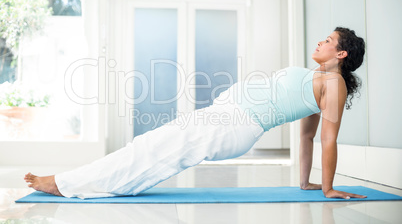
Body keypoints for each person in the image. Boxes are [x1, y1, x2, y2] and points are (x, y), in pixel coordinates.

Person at [25, 27, 367, 200]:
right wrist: (305, 181)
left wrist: (327, 189)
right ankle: (78, 182)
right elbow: (306, 135)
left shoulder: (334, 85)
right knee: (150, 146)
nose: (320, 42)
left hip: (236, 125)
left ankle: (66, 184)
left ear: (340, 54)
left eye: (328, 40)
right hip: (228, 114)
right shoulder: (318, 79)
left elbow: (327, 139)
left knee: (154, 152)